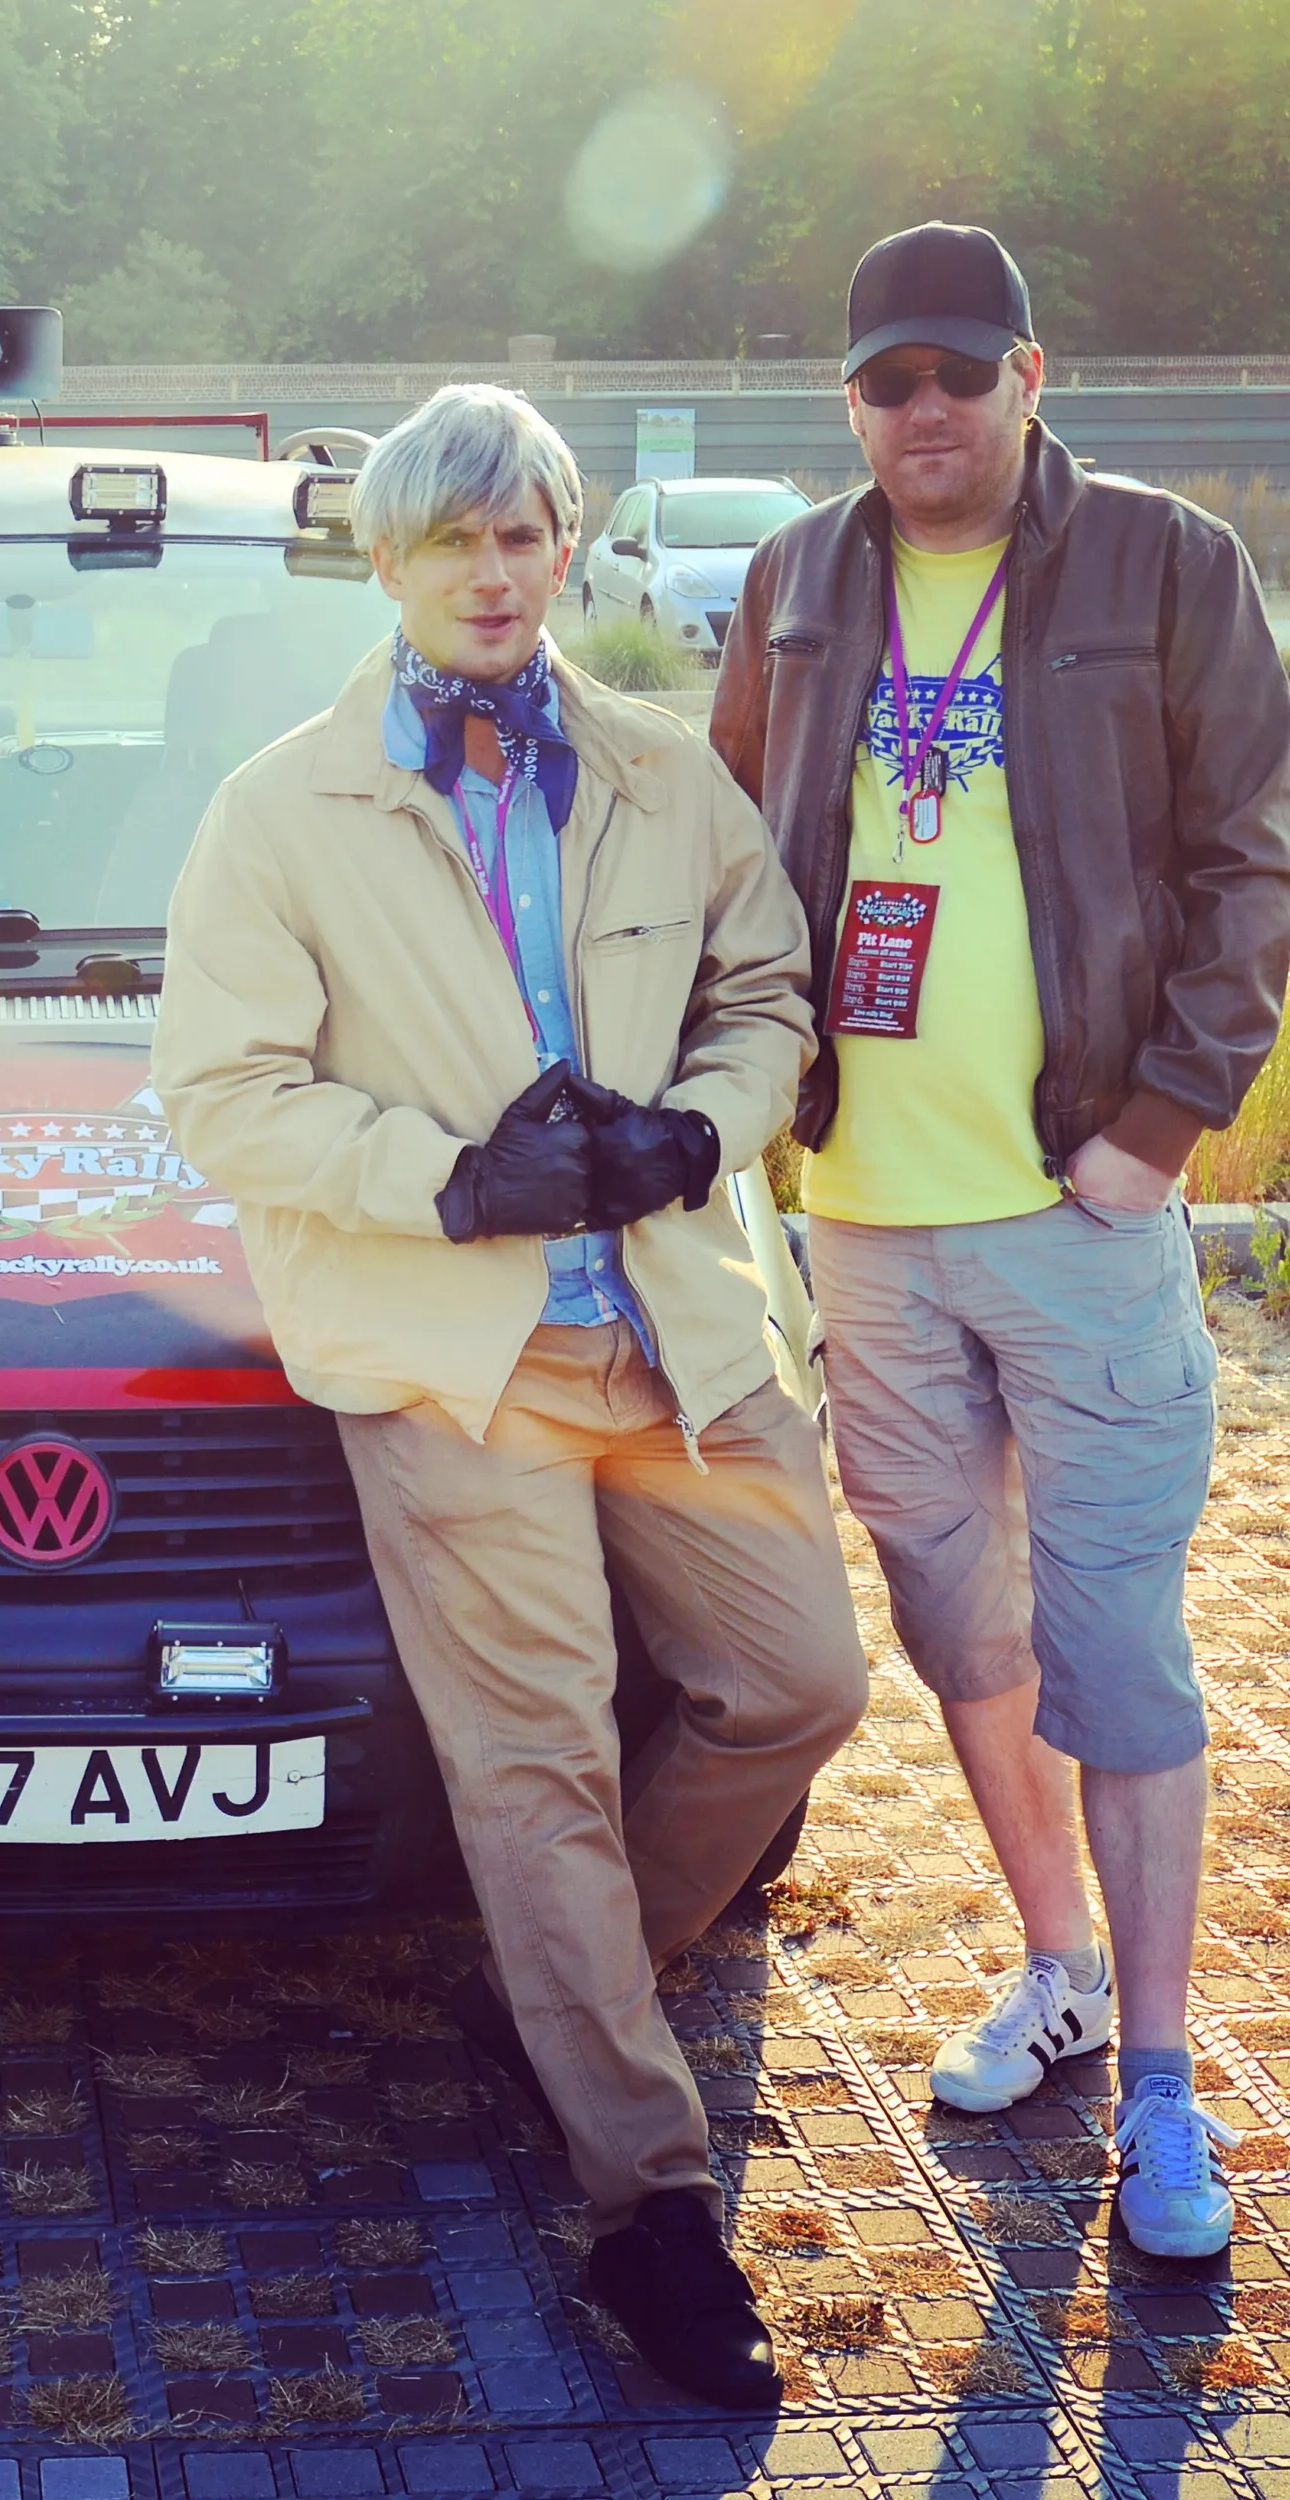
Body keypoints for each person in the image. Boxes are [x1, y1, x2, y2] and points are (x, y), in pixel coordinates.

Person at [153, 384, 867, 2409]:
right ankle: (647, 2203)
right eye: (444, 541)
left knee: (800, 1683)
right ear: (383, 564)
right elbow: (217, 1089)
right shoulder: (277, 807)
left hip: (676, 1330)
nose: (485, 572)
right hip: (449, 1357)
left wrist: (696, 1133)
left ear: (562, 547)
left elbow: (764, 994)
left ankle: (568, 1996)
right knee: (534, 1764)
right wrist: (442, 1177)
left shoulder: (659, 769)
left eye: (518, 535)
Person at [714, 223, 1290, 2260]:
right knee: (960, 1637)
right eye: (885, 379)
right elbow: (721, 847)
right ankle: (1047, 1963)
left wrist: (1155, 1126)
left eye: (958, 369)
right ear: (848, 399)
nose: (922, 409)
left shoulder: (1157, 563)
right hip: (862, 1219)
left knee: (1116, 1656)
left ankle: (1156, 2077)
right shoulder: (794, 579)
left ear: (1028, 373)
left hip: (1071, 1205)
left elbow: (1252, 853)